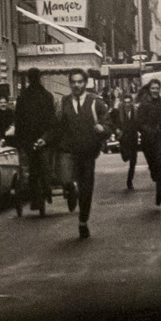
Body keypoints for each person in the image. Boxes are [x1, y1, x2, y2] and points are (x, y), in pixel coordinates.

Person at [59, 75, 108, 239]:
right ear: (70, 84)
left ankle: (83, 222)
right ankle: (70, 189)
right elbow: (55, 125)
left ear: (85, 83)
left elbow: (108, 122)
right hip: (69, 151)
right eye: (73, 82)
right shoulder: (63, 102)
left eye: (80, 82)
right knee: (66, 179)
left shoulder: (95, 102)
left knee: (86, 190)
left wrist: (103, 129)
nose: (76, 85)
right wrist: (44, 138)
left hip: (87, 153)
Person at [9, 69, 61, 216]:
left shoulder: (23, 97)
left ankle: (35, 198)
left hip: (28, 140)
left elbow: (18, 120)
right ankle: (46, 190)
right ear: (39, 78)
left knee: (31, 170)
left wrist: (20, 140)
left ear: (28, 79)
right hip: (44, 139)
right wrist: (48, 137)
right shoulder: (47, 96)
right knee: (45, 167)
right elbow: (52, 120)